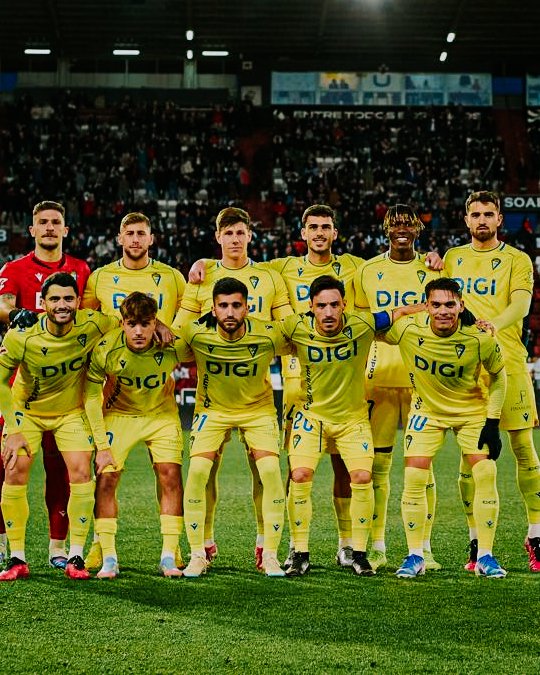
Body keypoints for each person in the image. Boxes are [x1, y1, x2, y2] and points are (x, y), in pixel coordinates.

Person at [174, 206, 292, 570]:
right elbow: (179, 333)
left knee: (266, 473)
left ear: (250, 236)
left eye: (241, 232)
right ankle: (202, 547)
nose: (235, 239)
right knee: (202, 472)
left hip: (257, 399)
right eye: (228, 233)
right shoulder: (202, 275)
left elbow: (289, 328)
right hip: (212, 402)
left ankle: (266, 548)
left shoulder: (269, 277)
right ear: (218, 237)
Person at [82, 211, 186, 571]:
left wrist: (166, 326)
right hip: (118, 403)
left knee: (170, 474)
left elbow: (191, 316)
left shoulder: (172, 277)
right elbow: (88, 321)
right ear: (119, 238)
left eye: (142, 233)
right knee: (106, 475)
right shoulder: (100, 277)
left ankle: (171, 550)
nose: (136, 239)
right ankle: (102, 548)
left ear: (151, 238)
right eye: (130, 233)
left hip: (161, 406)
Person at [384, 278, 507, 578]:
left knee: (486, 472)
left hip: (471, 412)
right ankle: (415, 556)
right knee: (414, 475)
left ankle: (485, 556)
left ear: (461, 306)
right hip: (426, 412)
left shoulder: (480, 338)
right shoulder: (407, 330)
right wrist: (406, 310)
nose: (443, 311)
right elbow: (371, 326)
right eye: (436, 304)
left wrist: (492, 421)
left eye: (450, 304)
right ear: (426, 306)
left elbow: (499, 376)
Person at [444, 190, 540, 573]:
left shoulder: (517, 259)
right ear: (466, 219)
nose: (482, 220)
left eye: (488, 214)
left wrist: (493, 325)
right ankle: (475, 541)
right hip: (467, 369)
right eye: (475, 214)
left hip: (509, 363)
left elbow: (522, 305)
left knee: (523, 448)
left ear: (500, 218)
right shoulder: (452, 258)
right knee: (471, 456)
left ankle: (536, 534)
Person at [0, 272, 117, 581]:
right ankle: (17, 557)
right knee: (14, 471)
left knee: (81, 473)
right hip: (27, 412)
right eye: (54, 299)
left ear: (78, 301)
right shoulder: (22, 335)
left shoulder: (94, 324)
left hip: (70, 412)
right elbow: (0, 381)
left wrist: (159, 325)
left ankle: (75, 556)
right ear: (43, 302)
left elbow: (128, 322)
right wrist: (13, 430)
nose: (62, 305)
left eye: (68, 298)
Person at [0, 200, 91, 569]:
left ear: (65, 230)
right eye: (43, 222)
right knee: (9, 464)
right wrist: (19, 315)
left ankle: (58, 548)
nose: (50, 227)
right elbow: (3, 307)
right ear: (32, 230)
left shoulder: (81, 269)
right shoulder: (14, 269)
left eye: (56, 222)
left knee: (62, 471)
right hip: (22, 384)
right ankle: (7, 545)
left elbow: (91, 314)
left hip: (67, 386)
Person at [353, 204, 443, 571]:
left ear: (418, 229)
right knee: (378, 466)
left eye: (408, 224)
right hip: (379, 377)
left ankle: (424, 548)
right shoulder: (367, 271)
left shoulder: (434, 269)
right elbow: (361, 323)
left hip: (423, 378)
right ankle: (377, 547)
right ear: (386, 230)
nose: (401, 230)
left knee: (423, 468)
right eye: (395, 225)